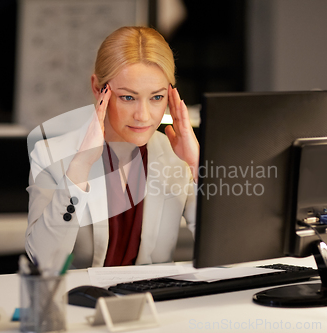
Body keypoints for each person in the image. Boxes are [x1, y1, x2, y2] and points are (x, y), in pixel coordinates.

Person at [26, 26, 199, 270]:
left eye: (157, 97)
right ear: (98, 89)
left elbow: (228, 248)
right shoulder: (50, 154)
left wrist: (197, 164)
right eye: (128, 97)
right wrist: (79, 168)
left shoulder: (176, 157)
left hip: (156, 303)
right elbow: (44, 261)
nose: (143, 116)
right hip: (79, 303)